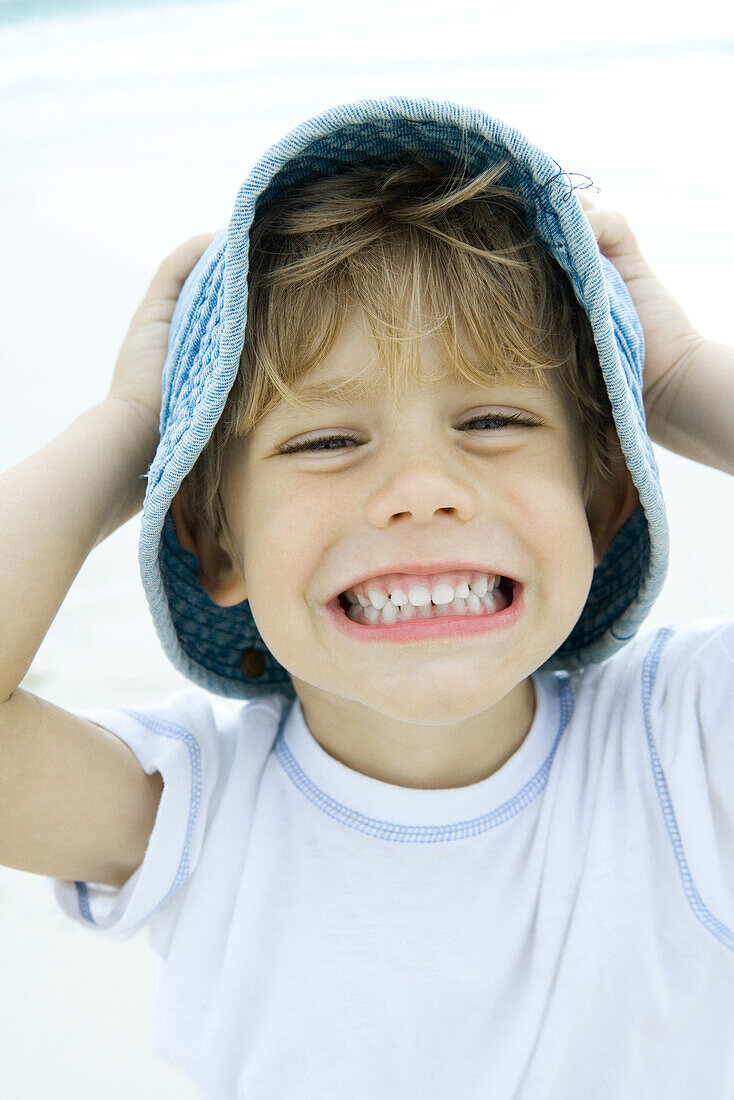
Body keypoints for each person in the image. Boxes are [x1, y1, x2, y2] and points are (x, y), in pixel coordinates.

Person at [1, 99, 732, 1099]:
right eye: (328, 440)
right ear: (216, 545)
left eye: (489, 417)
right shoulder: (196, 810)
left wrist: (679, 377)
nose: (418, 488)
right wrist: (134, 428)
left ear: (601, 504)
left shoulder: (684, 743)